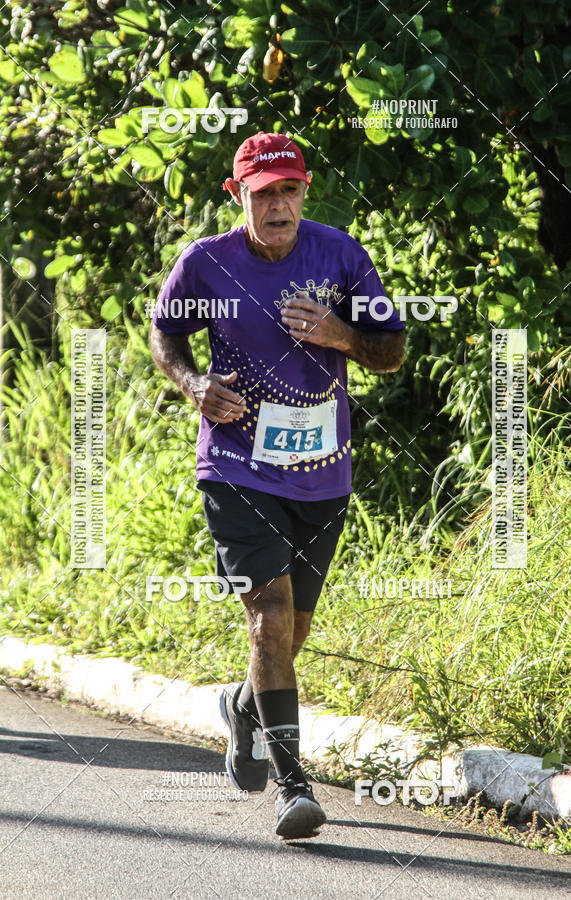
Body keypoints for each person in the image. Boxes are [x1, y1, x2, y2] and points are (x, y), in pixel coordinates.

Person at [150, 131, 406, 839]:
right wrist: (194, 383)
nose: (279, 205)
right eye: (264, 194)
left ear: (305, 191)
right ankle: (293, 786)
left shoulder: (341, 255)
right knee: (268, 611)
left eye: (289, 190)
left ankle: (241, 706)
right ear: (240, 197)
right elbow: (164, 335)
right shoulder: (206, 264)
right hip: (235, 464)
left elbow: (392, 351)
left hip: (322, 471)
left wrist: (342, 335)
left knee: (292, 629)